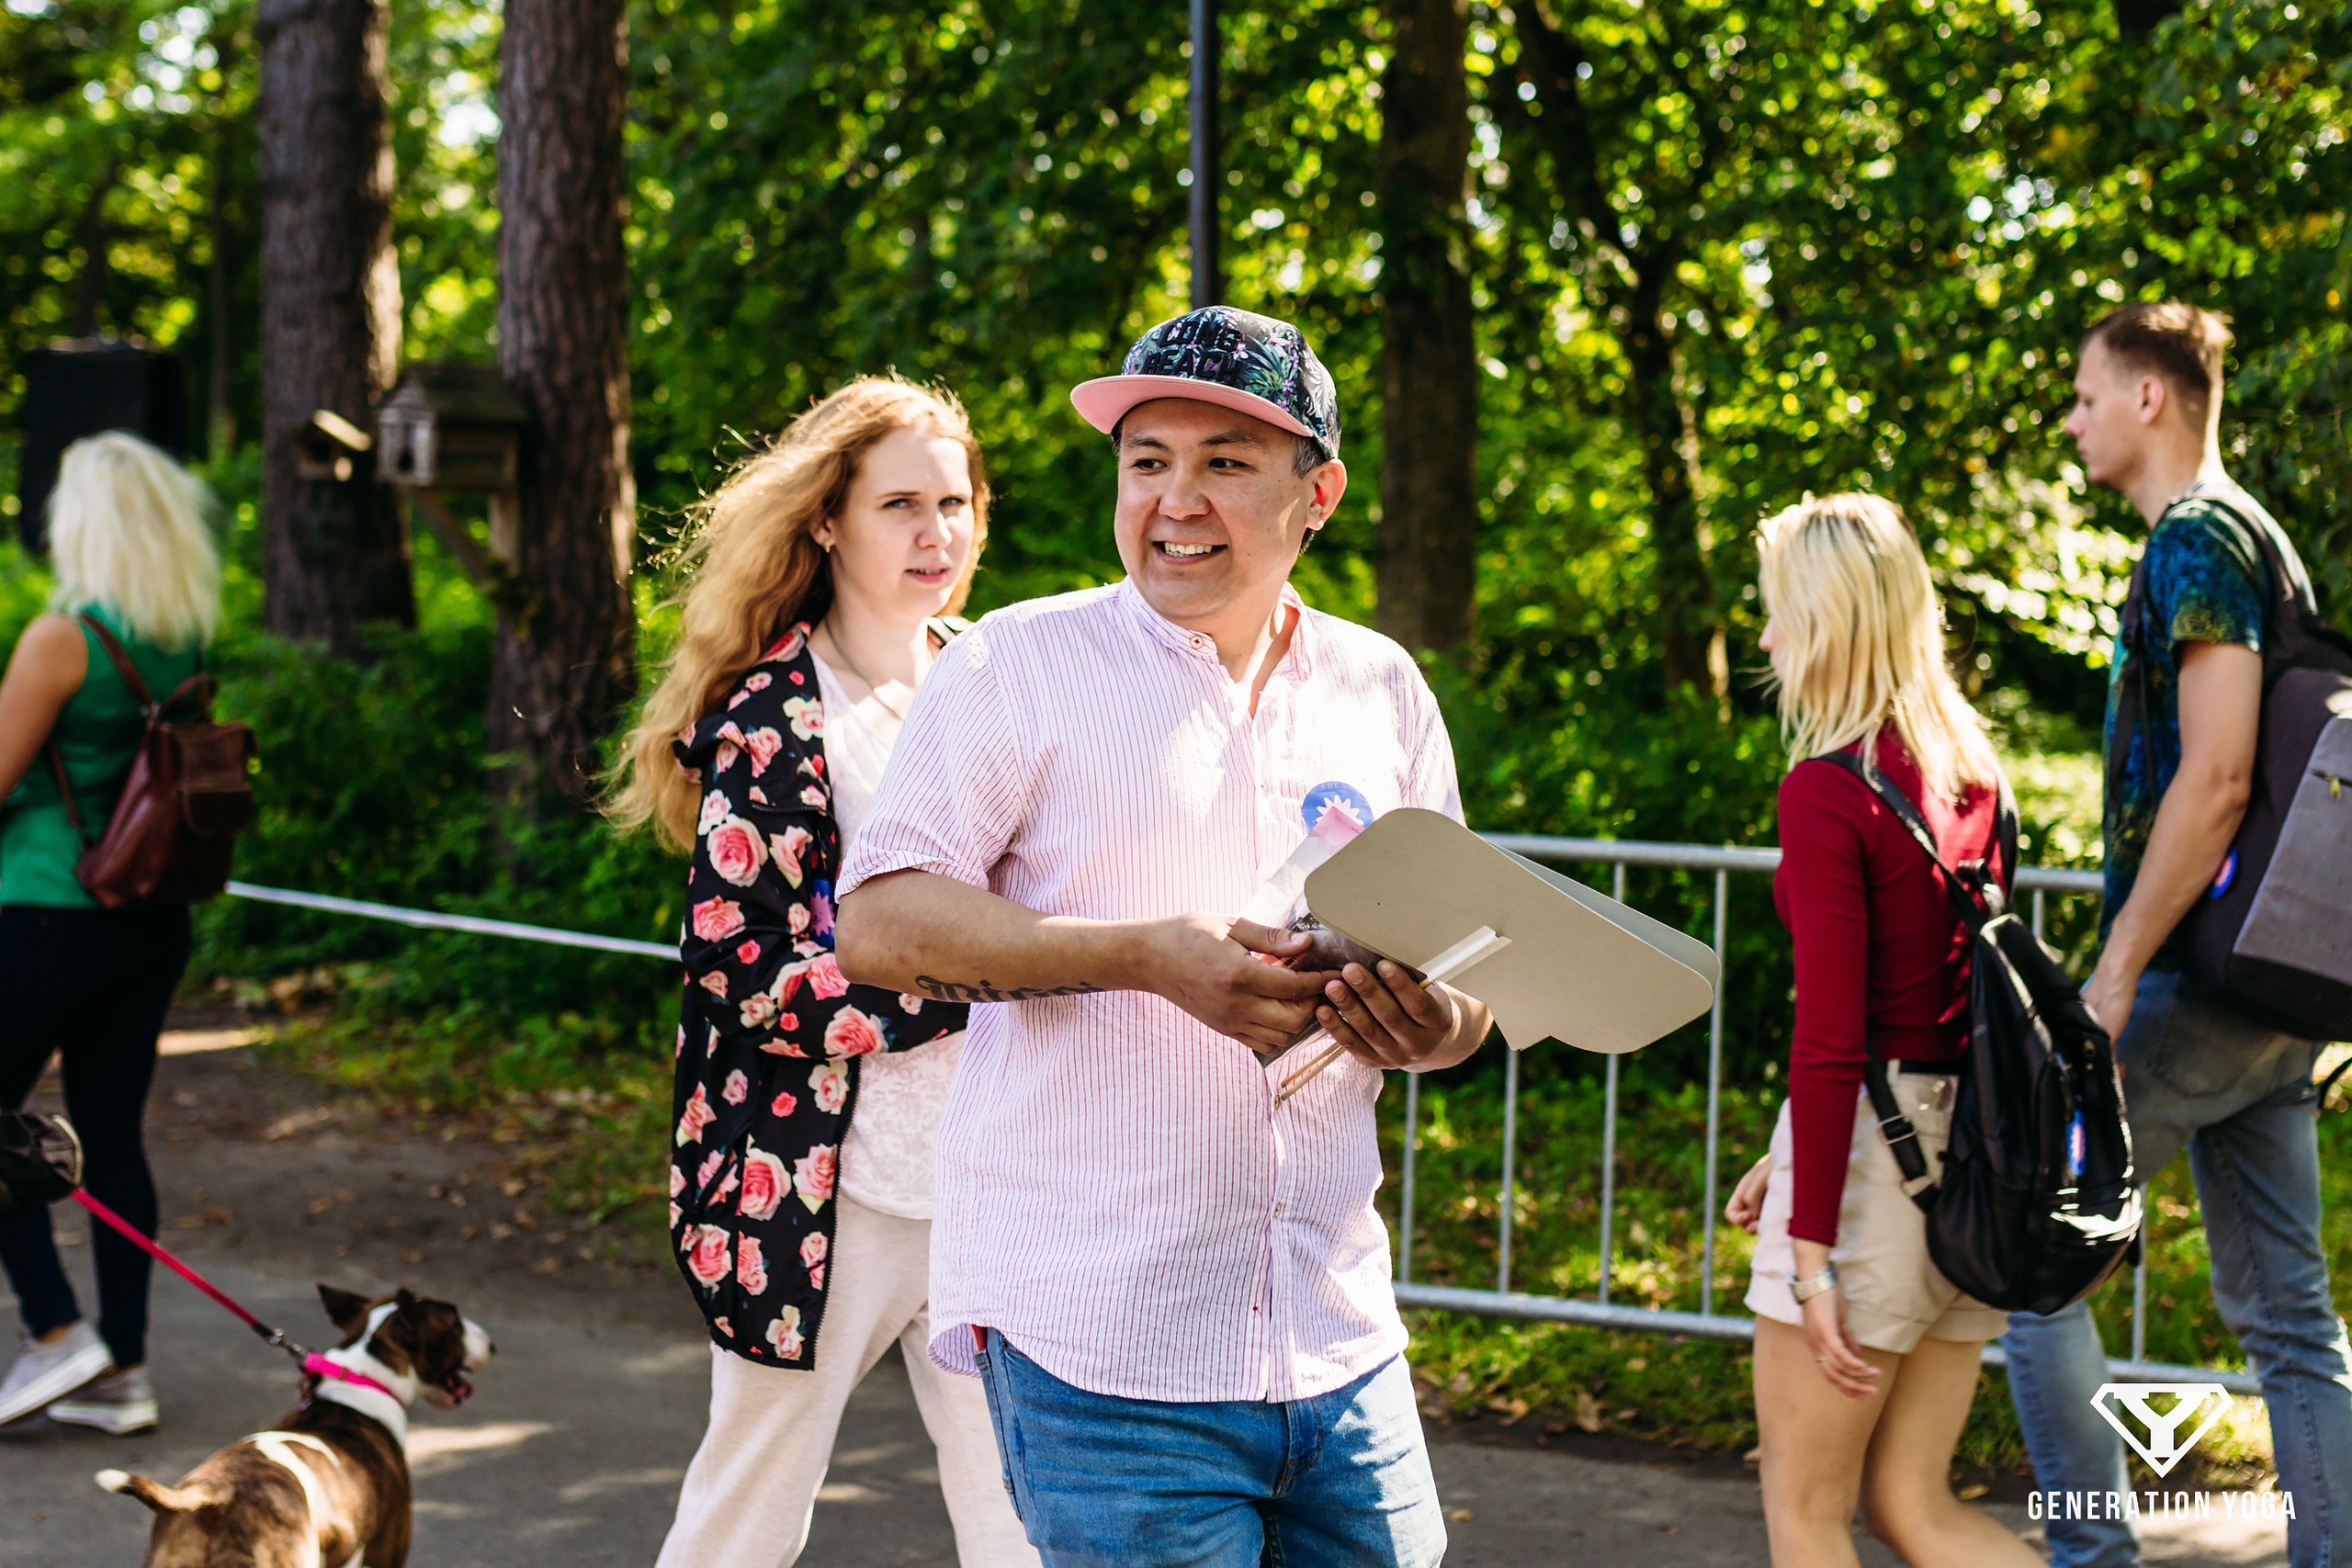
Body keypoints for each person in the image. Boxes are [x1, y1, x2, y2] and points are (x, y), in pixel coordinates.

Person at [831, 306, 1489, 1568]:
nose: (1175, 498)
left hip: (1343, 1344)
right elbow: (879, 921)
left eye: (1226, 463)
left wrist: (1430, 1021)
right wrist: (1142, 952)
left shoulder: (1383, 685)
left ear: (1320, 493)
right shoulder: (1016, 663)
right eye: (1148, 460)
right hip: (1104, 1352)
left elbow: (1467, 991)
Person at [609, 377, 1035, 1568]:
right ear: (828, 522)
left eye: (954, 502)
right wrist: (990, 979)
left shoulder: (995, 677)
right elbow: (748, 976)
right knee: (746, 1512)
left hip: (995, 1171)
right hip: (813, 1187)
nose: (936, 532)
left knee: (1024, 1507)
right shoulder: (774, 716)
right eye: (901, 502)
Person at [1999, 302, 2352, 1568]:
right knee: (2293, 1317)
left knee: (2036, 1261)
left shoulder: (2198, 542)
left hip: (2191, 989)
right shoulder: (2266, 541)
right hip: (2277, 995)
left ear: (2152, 398)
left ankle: (2093, 1556)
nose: (2075, 418)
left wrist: (2112, 970)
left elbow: (2216, 778)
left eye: (2089, 394)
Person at [1723, 492, 2038, 1568]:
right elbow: (1939, 1007)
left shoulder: (1826, 791)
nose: (1764, 638)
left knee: (1806, 1513)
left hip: (1867, 1173)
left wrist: (1812, 1252)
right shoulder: (1972, 779)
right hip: (1968, 1163)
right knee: (1915, 1504)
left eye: (1777, 612)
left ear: (1829, 620)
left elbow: (1832, 1034)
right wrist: (1790, 1152)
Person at [0, 432, 222, 1435]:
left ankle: (55, 1332)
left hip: (46, 912)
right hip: (151, 920)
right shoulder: (182, 641)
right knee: (114, 1140)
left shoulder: (62, 638)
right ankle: (123, 1372)